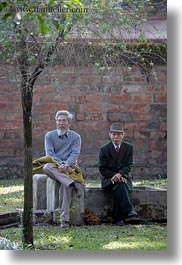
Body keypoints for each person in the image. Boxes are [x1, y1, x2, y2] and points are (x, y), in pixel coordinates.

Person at [43, 110, 85, 228]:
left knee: (65, 185)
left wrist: (66, 165)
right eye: (59, 120)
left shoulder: (76, 137)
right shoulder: (49, 136)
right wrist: (61, 164)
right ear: (56, 122)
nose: (61, 123)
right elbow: (50, 154)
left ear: (69, 123)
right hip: (54, 166)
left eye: (64, 121)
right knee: (46, 167)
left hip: (71, 166)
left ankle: (64, 220)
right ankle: (73, 183)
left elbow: (74, 154)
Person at [98, 122, 137, 226]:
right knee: (119, 185)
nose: (116, 137)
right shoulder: (104, 149)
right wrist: (114, 176)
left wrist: (121, 175)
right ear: (109, 135)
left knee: (119, 186)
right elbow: (102, 168)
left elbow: (129, 165)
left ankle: (118, 219)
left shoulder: (129, 148)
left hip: (124, 179)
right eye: (114, 134)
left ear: (123, 135)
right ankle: (128, 210)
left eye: (119, 134)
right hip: (108, 179)